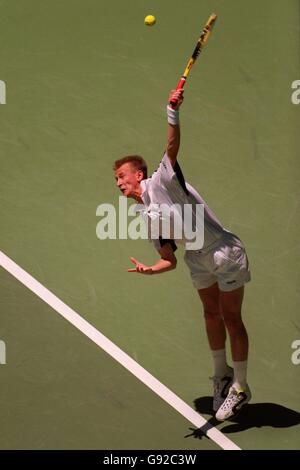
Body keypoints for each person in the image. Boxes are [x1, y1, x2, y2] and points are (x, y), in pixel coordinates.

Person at [113, 89, 252, 421]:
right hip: (197, 259)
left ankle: (241, 386)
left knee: (232, 318)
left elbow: (172, 147)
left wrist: (171, 111)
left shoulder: (162, 181)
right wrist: (151, 269)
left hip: (223, 251)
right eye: (116, 179)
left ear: (139, 175)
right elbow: (169, 258)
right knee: (210, 315)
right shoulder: (146, 217)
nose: (118, 183)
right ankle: (221, 377)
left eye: (122, 176)